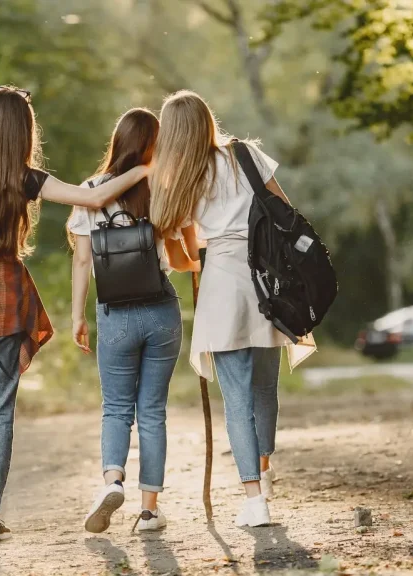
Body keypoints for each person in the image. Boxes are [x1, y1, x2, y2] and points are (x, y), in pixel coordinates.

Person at [0, 86, 151, 544]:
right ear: (26, 133)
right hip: (7, 300)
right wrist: (143, 169)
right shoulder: (27, 178)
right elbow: (92, 199)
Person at [149, 90, 291, 527]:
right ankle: (264, 470)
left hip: (223, 286)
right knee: (265, 388)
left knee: (236, 397)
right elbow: (284, 211)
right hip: (267, 281)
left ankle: (254, 500)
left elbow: (181, 251)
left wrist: (199, 251)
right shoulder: (247, 155)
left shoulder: (183, 179)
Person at [68, 108, 197, 533]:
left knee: (117, 408)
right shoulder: (162, 187)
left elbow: (82, 260)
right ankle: (148, 511)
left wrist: (78, 316)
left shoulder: (90, 191)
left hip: (116, 314)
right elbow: (180, 255)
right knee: (153, 411)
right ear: (153, 146)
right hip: (161, 310)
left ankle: (112, 480)